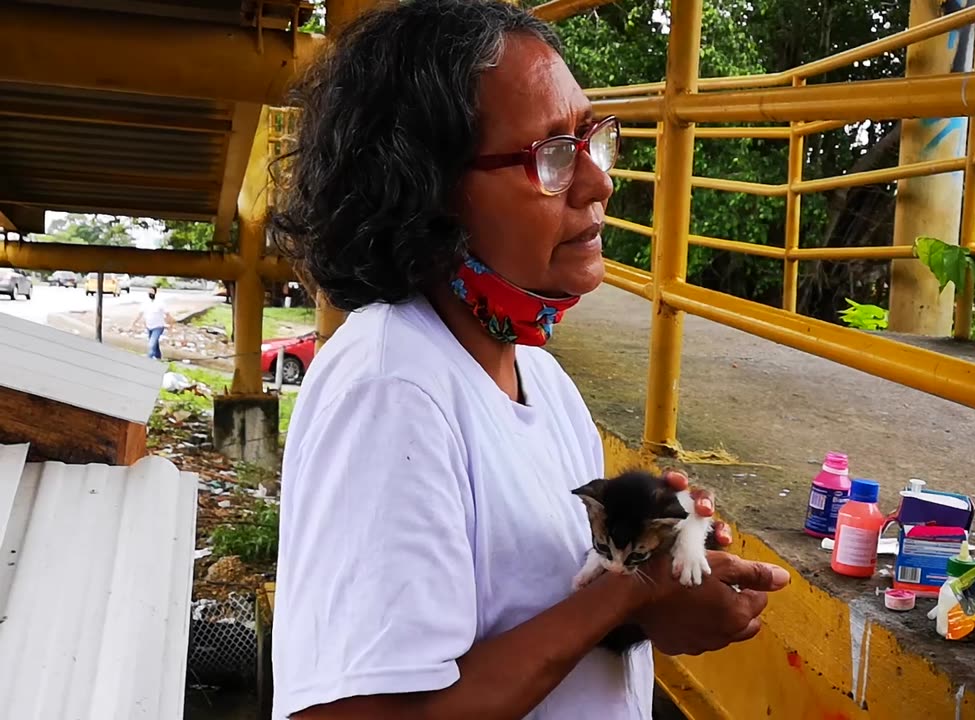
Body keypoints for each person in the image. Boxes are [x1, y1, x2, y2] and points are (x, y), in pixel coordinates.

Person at [264, 1, 791, 719]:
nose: (598, 183)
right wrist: (629, 593)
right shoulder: (391, 387)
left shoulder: (538, 377)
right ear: (426, 192)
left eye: (590, 139)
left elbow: (537, 618)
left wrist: (656, 587)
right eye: (551, 156)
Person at [133, 287, 172, 360]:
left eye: (152, 292)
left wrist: (171, 325)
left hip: (158, 326)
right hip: (149, 326)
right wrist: (134, 323)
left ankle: (149, 359)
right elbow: (140, 314)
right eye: (149, 292)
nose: (150, 293)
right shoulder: (145, 303)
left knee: (151, 344)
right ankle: (158, 356)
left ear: (155, 293)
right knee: (154, 342)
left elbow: (167, 314)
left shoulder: (160, 303)